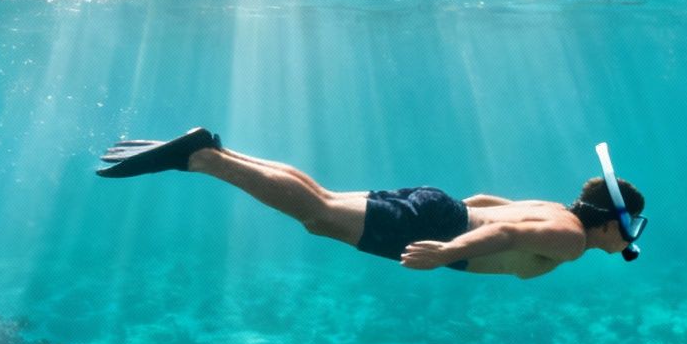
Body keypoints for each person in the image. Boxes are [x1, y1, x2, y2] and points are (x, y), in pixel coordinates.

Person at [97, 128, 645, 279]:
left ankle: (216, 148)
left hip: (441, 205)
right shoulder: (572, 240)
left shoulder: (556, 208)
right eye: (633, 228)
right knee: (317, 215)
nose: (632, 240)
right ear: (613, 222)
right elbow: (503, 236)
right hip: (442, 228)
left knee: (324, 202)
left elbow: (484, 202)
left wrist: (456, 222)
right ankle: (203, 160)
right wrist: (446, 250)